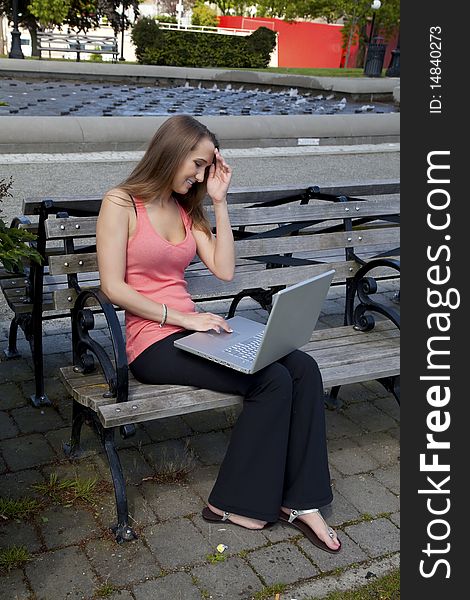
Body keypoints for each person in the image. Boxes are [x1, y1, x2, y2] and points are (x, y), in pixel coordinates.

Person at [96, 115, 341, 554]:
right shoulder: (120, 203)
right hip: (150, 342)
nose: (199, 175)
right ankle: (229, 503)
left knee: (302, 367)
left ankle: (302, 501)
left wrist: (220, 202)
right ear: (170, 151)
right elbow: (114, 288)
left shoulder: (187, 209)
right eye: (197, 164)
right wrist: (183, 318)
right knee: (271, 380)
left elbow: (224, 270)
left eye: (206, 168)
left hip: (194, 329)